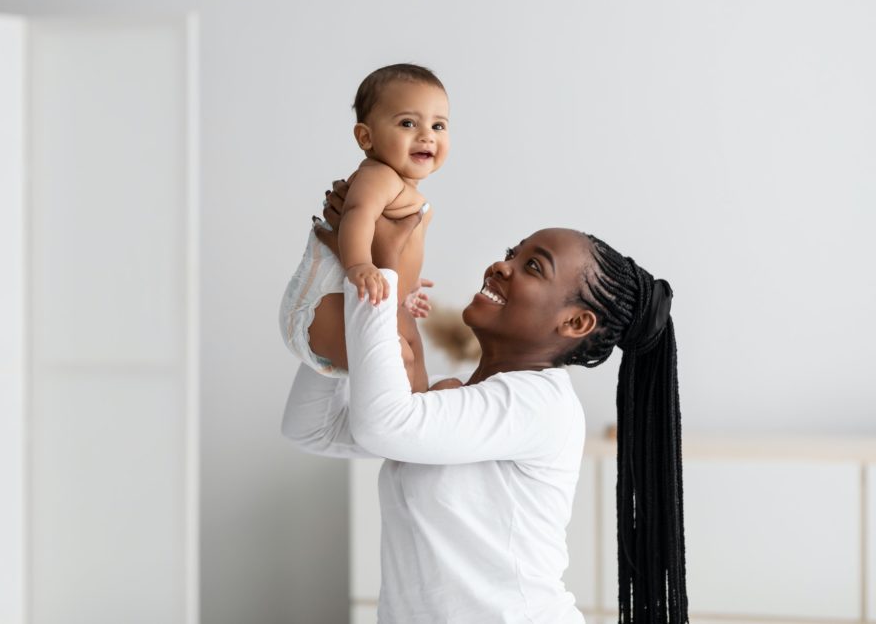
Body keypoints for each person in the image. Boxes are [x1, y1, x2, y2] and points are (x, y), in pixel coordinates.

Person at [281, 183, 689, 624]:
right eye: (512, 252)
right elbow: (311, 428)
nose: (501, 265)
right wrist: (351, 270)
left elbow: (384, 424)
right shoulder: (451, 399)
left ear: (575, 322)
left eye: (532, 266)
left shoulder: (541, 404)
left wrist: (380, 270)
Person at [278, 64, 448, 392]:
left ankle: (422, 406)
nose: (427, 135)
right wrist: (360, 265)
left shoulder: (403, 188)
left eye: (438, 125)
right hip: (322, 309)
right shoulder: (378, 177)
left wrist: (407, 288)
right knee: (400, 357)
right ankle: (409, 423)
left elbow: (391, 249)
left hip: (360, 304)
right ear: (366, 136)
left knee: (413, 342)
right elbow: (356, 216)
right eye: (408, 123)